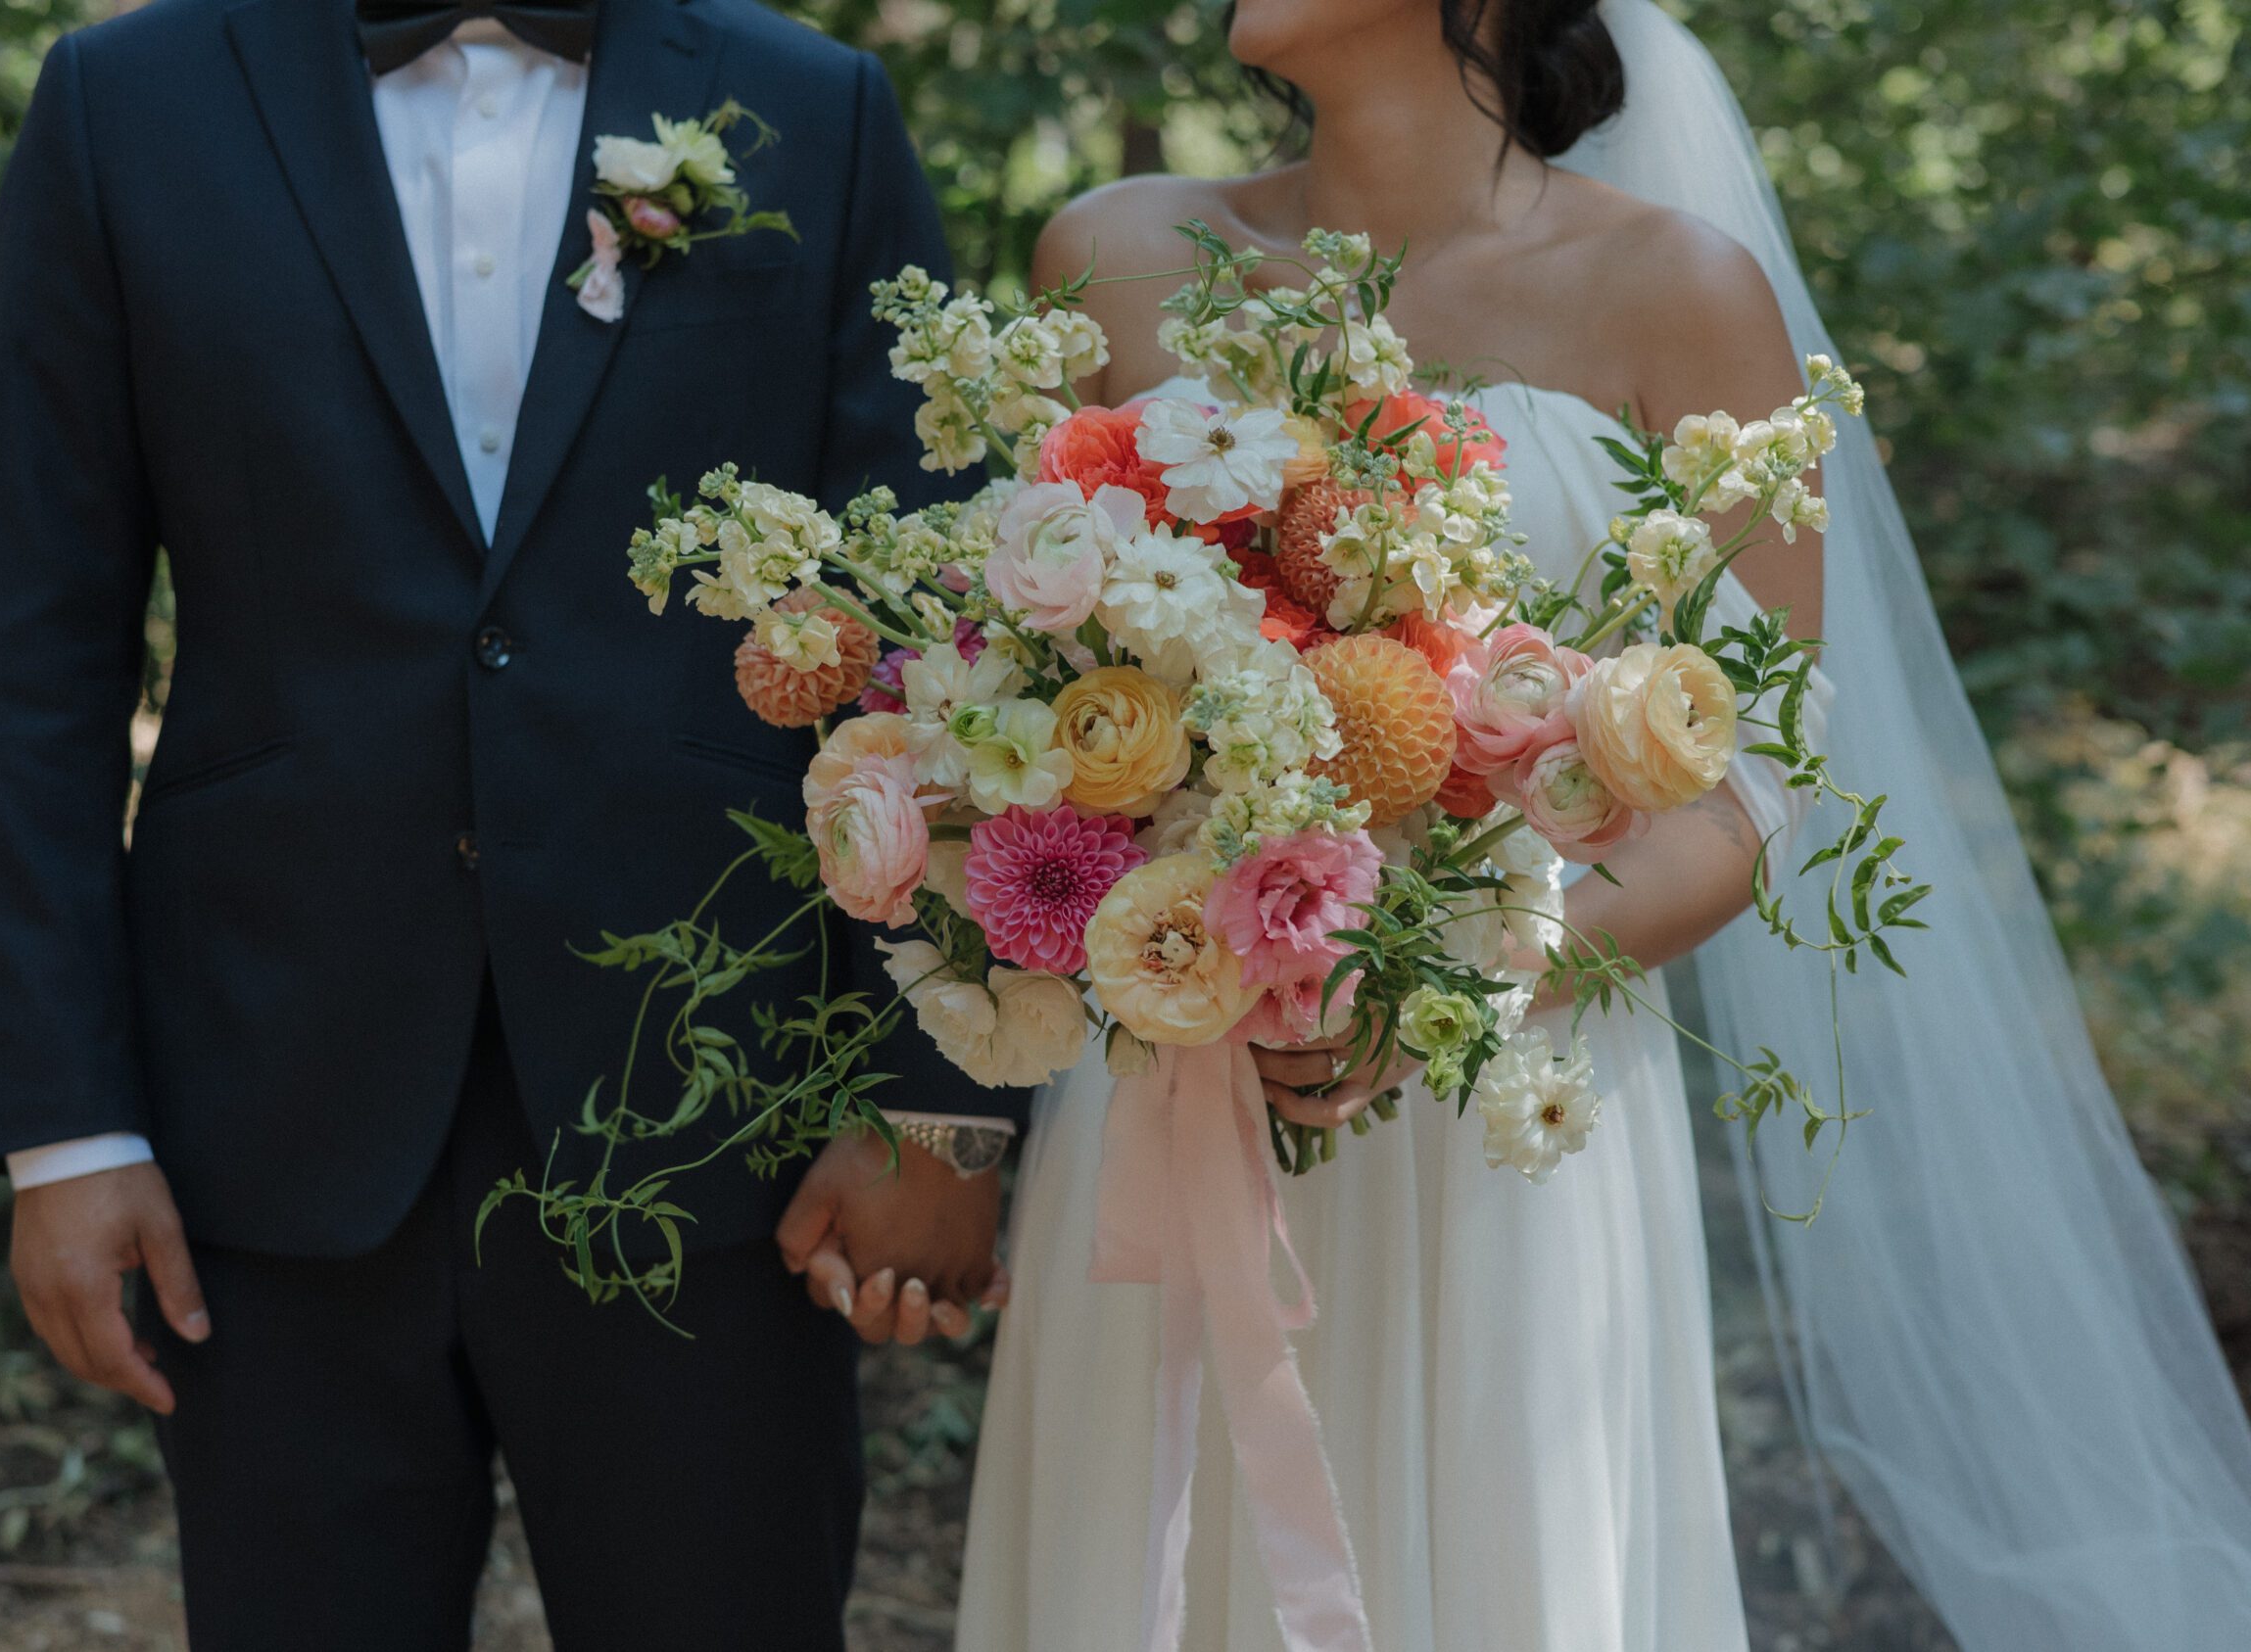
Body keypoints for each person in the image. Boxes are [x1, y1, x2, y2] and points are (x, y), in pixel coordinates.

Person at [955, 3, 2251, 1649]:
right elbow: (1001, 691)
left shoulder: (1681, 296)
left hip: (1513, 1113)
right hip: (1183, 1096)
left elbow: (1750, 781)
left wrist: (1454, 977)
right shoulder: (1113, 255)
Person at [0, 1, 1017, 1646]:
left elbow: (937, 627)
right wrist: (65, 1130)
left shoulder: (813, 103)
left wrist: (939, 1098)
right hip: (272, 1106)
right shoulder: (123, 102)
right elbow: (31, 651)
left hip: (716, 1115)